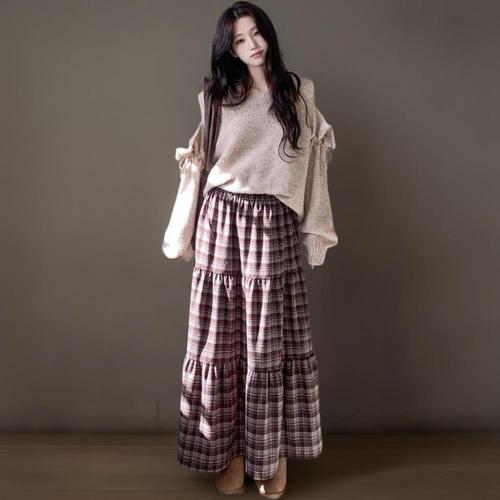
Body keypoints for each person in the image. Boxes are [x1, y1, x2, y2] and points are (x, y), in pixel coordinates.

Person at [161, 1, 339, 497]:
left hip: (273, 225)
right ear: (230, 49)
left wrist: (315, 230)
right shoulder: (215, 97)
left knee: (268, 344)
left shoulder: (299, 93)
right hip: (223, 222)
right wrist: (185, 232)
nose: (252, 44)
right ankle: (232, 452)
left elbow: (312, 165)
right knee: (221, 341)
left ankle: (272, 452)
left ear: (268, 35)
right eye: (240, 39)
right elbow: (200, 165)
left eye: (256, 33)